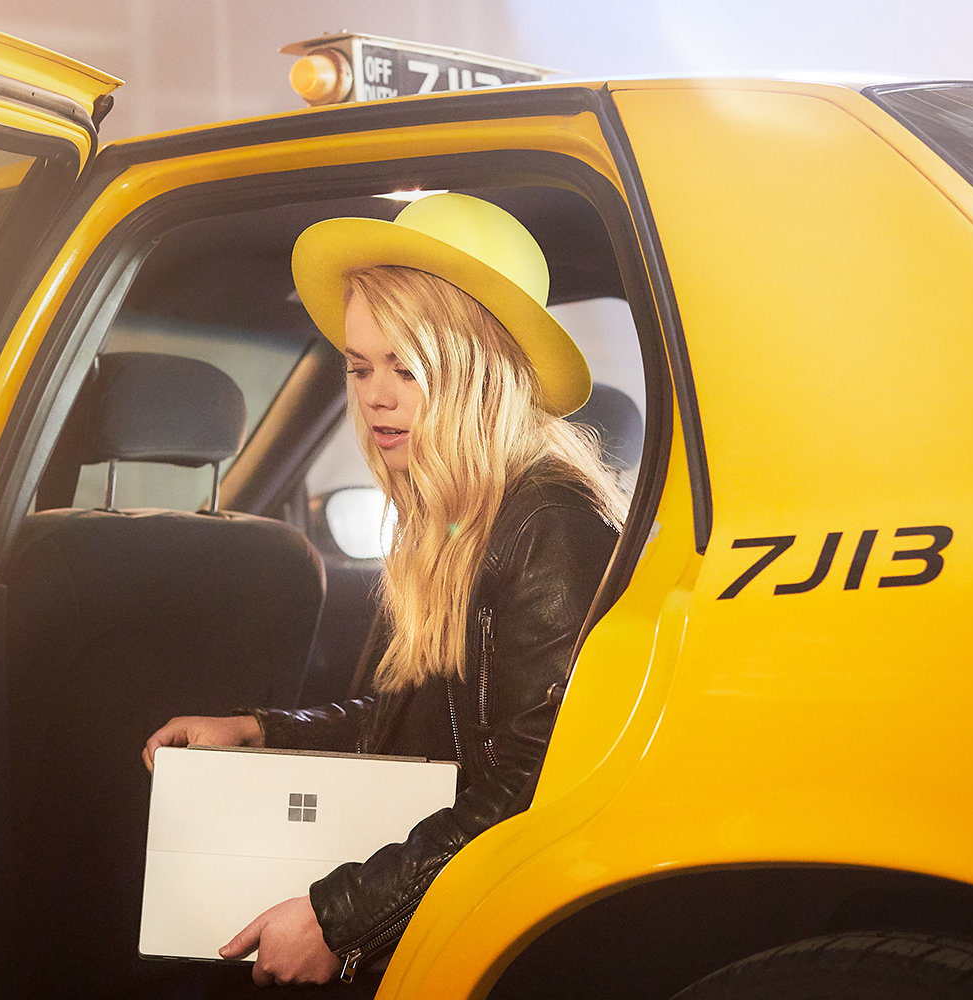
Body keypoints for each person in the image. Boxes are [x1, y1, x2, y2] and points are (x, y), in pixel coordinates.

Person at [142, 193, 625, 989]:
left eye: (408, 367)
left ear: (478, 372)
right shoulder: (457, 514)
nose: (375, 395)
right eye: (361, 366)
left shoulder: (549, 526)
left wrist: (339, 918)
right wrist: (260, 733)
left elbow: (531, 788)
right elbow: (421, 721)